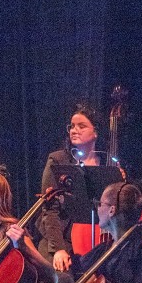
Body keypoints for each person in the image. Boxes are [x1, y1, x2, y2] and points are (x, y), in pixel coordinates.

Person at [37, 103, 108, 271]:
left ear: (96, 132)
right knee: (61, 277)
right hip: (61, 237)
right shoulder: (58, 160)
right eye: (72, 126)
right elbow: (49, 209)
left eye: (81, 126)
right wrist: (59, 249)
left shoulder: (107, 163)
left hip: (98, 239)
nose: (74, 130)